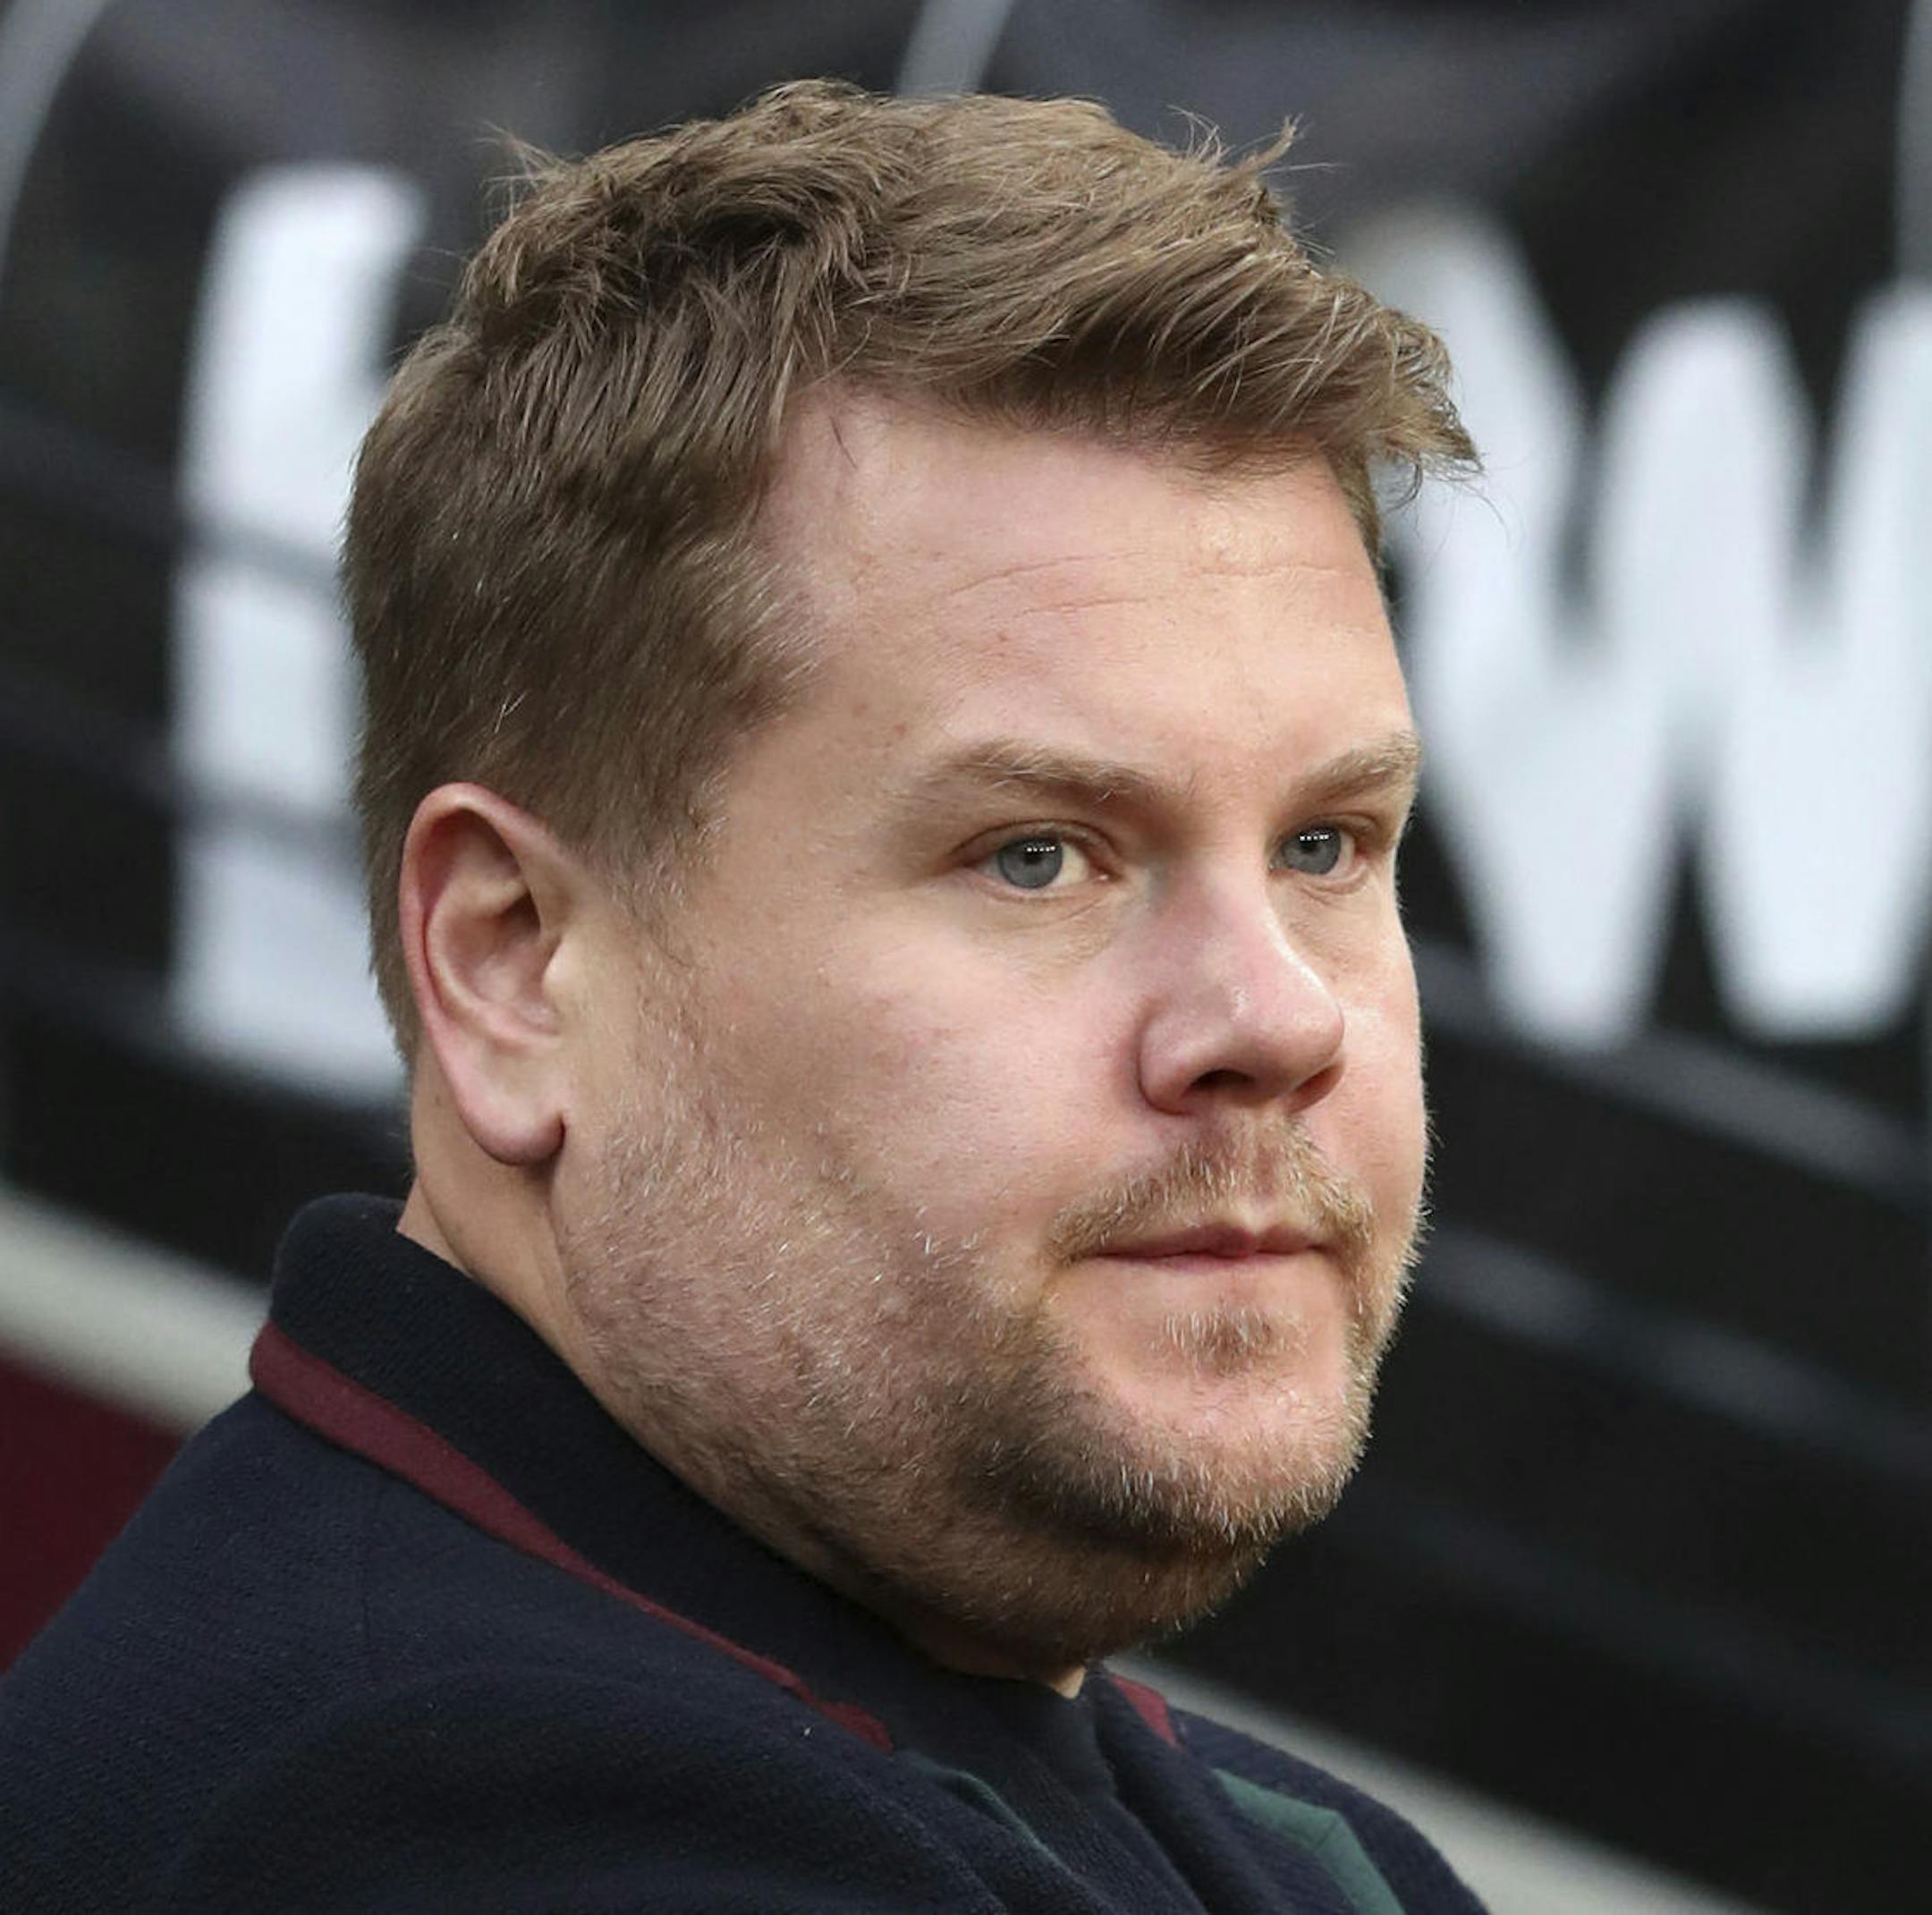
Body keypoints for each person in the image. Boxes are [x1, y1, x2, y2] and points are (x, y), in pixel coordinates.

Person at [1, 80, 1481, 1911]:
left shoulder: (1239, 1832)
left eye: (1328, 846)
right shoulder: (463, 1826)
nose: (1276, 1019)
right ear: (514, 961)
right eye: (1038, 855)